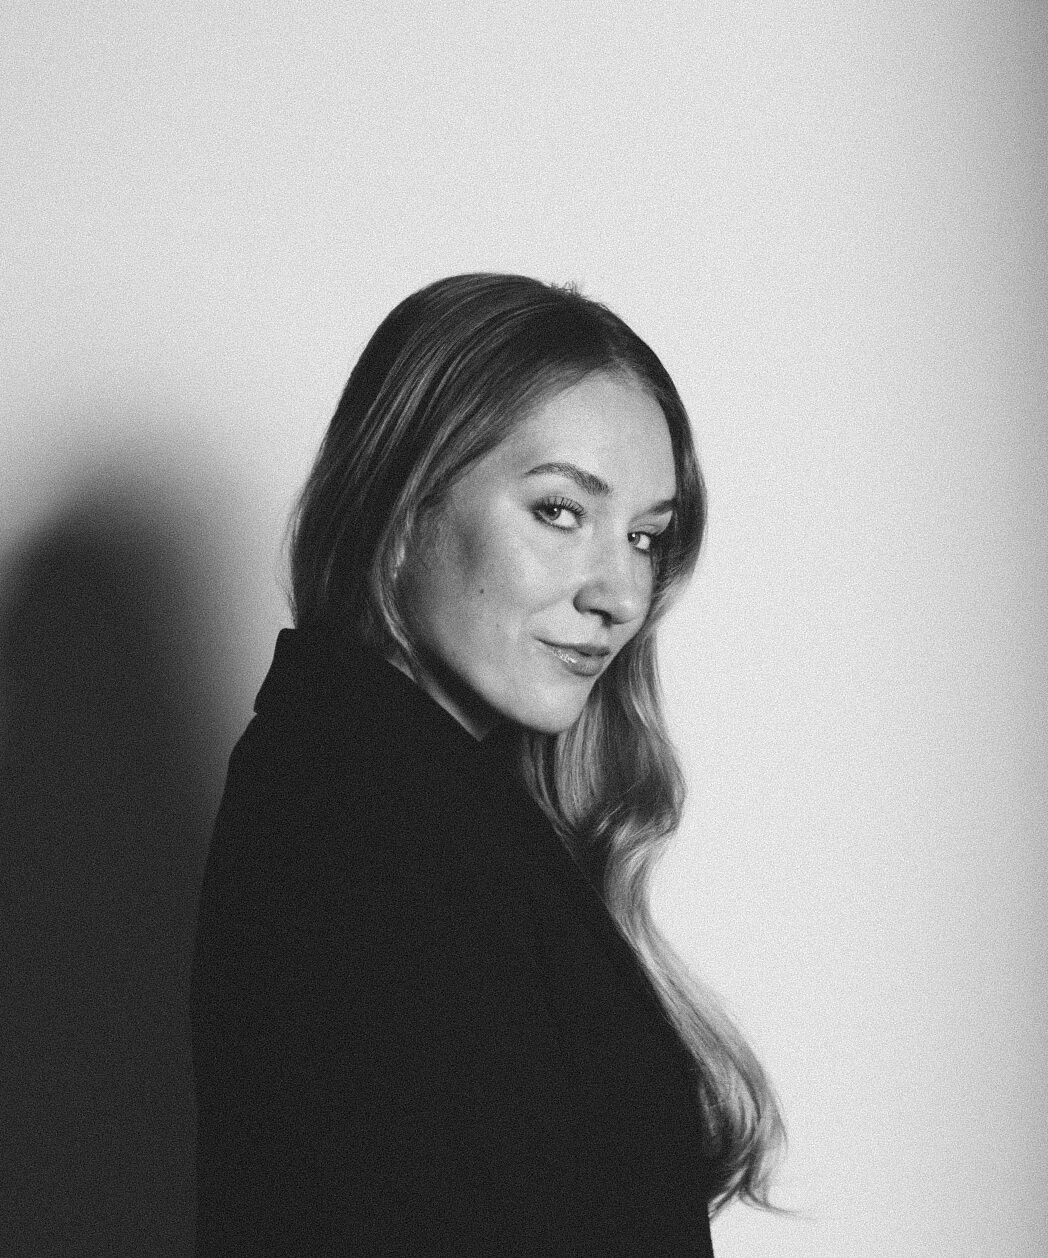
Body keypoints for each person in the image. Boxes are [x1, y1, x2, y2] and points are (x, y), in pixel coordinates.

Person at [190, 273, 784, 1255]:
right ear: (404, 502)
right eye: (559, 511)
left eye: (645, 536)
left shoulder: (392, 796)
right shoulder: (377, 831)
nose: (621, 592)